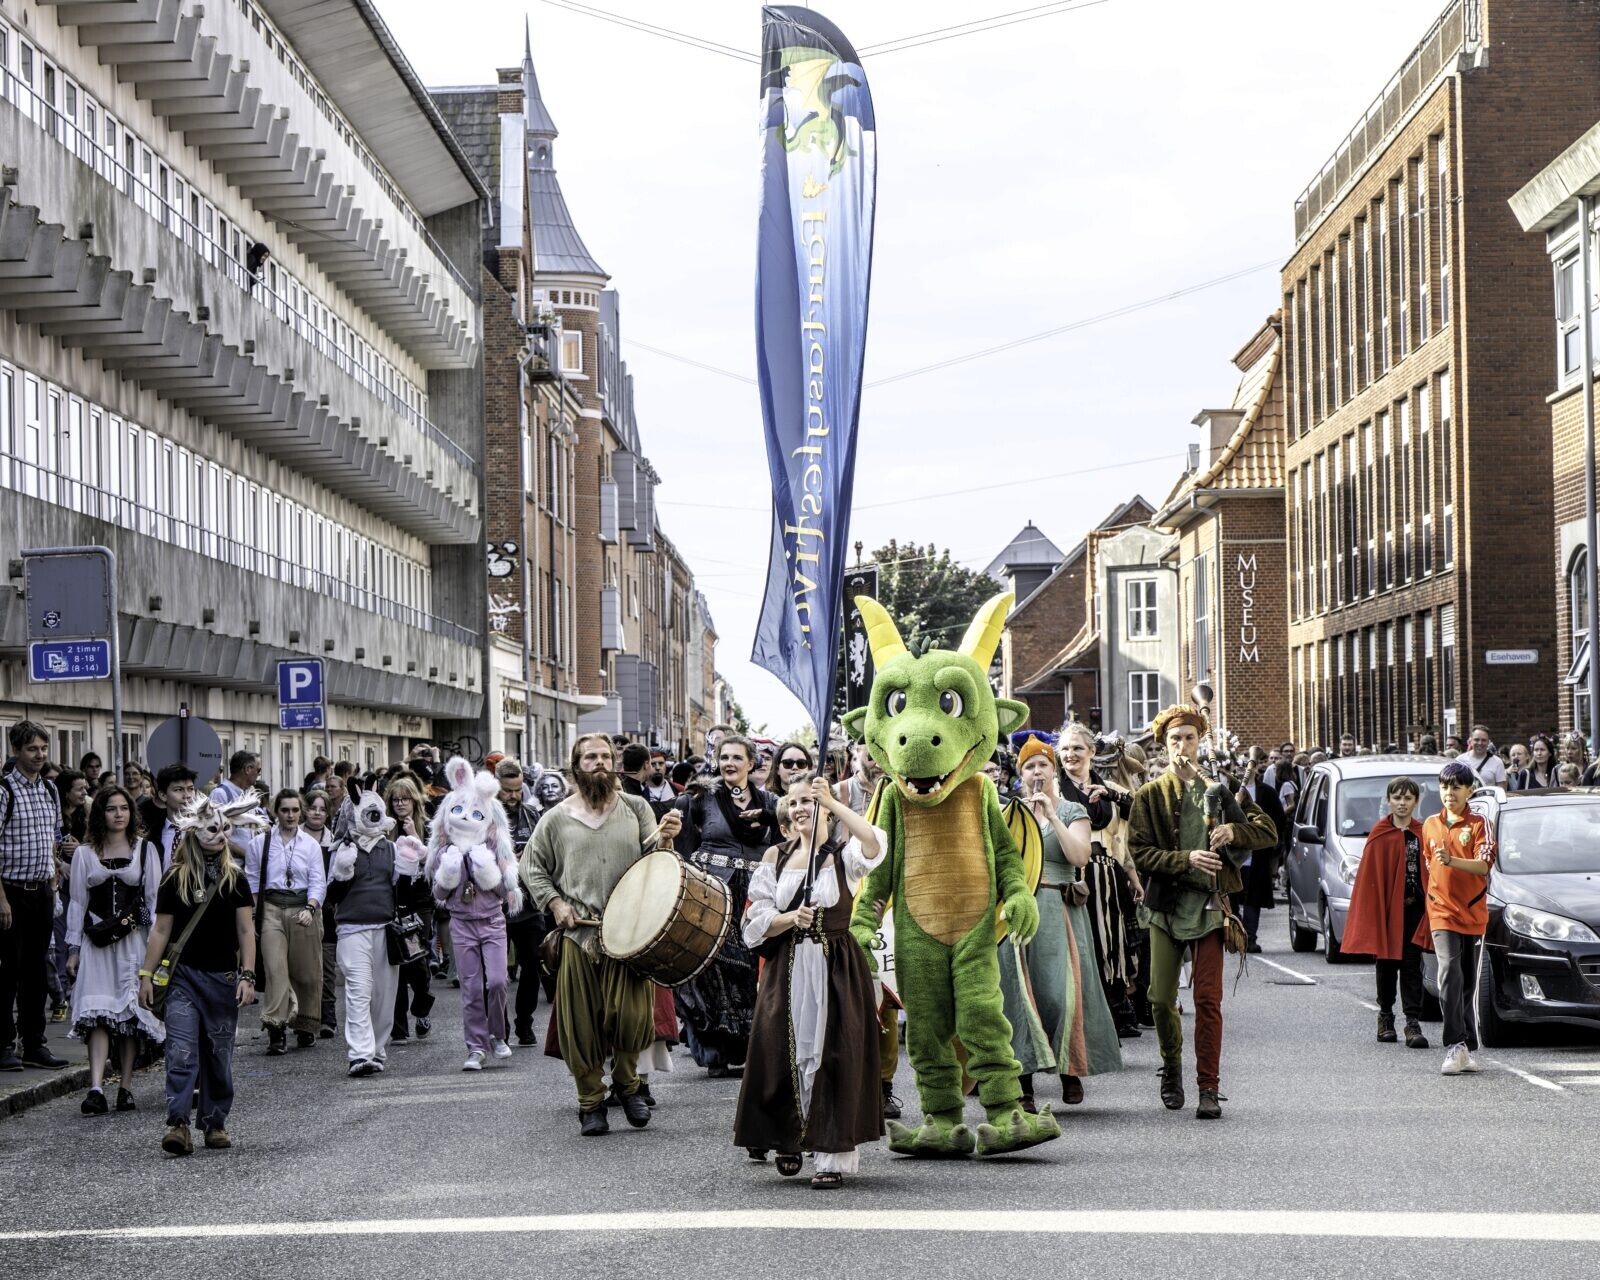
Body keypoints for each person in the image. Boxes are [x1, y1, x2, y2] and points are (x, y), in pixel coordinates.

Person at [521, 734, 682, 1135]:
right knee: (580, 1025)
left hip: (627, 932)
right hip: (578, 936)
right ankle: (590, 1101)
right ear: (576, 766)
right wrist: (556, 904)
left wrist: (666, 838)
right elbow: (531, 867)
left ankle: (628, 1086)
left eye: (605, 756)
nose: (599, 763)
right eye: (590, 757)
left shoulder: (636, 808)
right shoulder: (556, 818)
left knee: (630, 1017)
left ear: (615, 764)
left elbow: (656, 860)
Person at [735, 776, 886, 1188]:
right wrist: (788, 919)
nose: (802, 807)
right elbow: (754, 920)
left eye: (809, 800)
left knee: (833, 1051)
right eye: (796, 801)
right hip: (787, 965)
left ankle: (830, 1155)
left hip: (835, 965)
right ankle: (790, 1136)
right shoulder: (776, 855)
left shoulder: (843, 856)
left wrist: (833, 804)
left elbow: (874, 843)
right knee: (780, 1048)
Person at [1129, 704, 1277, 1120]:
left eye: (1190, 738)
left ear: (1200, 742)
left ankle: (1208, 1087)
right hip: (1166, 907)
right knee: (1159, 998)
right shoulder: (1149, 795)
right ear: (1163, 745)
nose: (1182, 746)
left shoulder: (1220, 787)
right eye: (1175, 739)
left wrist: (1234, 829)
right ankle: (1172, 1065)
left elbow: (1268, 832)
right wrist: (1186, 859)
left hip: (1212, 908)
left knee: (1208, 1000)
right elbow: (1140, 853)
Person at [997, 731, 1120, 1111]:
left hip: (1060, 909)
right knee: (1020, 994)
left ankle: (1070, 1071)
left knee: (1061, 994)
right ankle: (1025, 1083)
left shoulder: (1071, 810)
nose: (1037, 771)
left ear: (1054, 772)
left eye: (1043, 766)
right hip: (1020, 911)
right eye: (1030, 766)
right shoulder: (1009, 814)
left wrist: (1051, 813)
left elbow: (1080, 856)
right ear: (1021, 774)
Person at [138, 793, 264, 1155]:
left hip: (223, 979)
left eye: (225, 829)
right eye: (212, 829)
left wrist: (248, 976)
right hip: (183, 979)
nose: (221, 836)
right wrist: (146, 975)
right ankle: (177, 1123)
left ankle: (214, 1122)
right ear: (193, 831)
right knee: (180, 1052)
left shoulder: (234, 879)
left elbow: (245, 931)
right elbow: (161, 931)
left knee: (218, 1055)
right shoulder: (173, 879)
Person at [672, 733, 781, 1075]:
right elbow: (684, 846)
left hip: (754, 895)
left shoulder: (773, 802)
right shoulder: (701, 798)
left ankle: (751, 1047)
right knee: (713, 970)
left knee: (751, 971)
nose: (729, 764)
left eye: (737, 758)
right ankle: (714, 1050)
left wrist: (771, 818)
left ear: (752, 763)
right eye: (724, 757)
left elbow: (785, 846)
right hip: (713, 894)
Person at [65, 785, 163, 1113]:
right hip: (96, 943)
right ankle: (95, 1087)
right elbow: (77, 903)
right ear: (100, 814)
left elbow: (153, 903)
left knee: (129, 1014)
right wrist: (73, 950)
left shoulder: (146, 851)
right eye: (111, 808)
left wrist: (155, 952)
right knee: (97, 1014)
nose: (118, 814)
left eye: (124, 808)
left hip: (133, 943)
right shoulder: (84, 853)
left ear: (131, 813)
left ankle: (125, 1087)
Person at [425, 758, 521, 1071]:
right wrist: (448, 874)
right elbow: (438, 896)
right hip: (461, 923)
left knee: (496, 981)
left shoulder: (492, 847)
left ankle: (498, 1035)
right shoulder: (445, 850)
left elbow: (504, 891)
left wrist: (487, 873)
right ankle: (475, 1047)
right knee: (470, 986)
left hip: (492, 921)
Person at [325, 788, 419, 1077]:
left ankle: (376, 1050)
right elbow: (333, 895)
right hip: (352, 929)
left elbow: (404, 894)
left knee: (384, 996)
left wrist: (409, 868)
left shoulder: (390, 848)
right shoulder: (342, 849)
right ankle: (359, 1055)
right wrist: (343, 872)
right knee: (358, 991)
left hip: (384, 929)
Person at [1057, 724, 1142, 1037]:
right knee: (1081, 948)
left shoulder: (1106, 787)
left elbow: (1139, 813)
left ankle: (1111, 1017)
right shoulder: (1054, 787)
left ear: (1092, 752)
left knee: (1110, 947)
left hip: (1108, 875)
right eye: (1065, 749)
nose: (1071, 755)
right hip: (1072, 877)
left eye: (1078, 748)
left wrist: (1112, 794)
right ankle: (1082, 1024)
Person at [1341, 777, 1431, 1049]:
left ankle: (1412, 1022)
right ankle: (1386, 1017)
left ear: (1416, 802)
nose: (1402, 803)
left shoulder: (1423, 831)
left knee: (1412, 964)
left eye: (1407, 798)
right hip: (1389, 909)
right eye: (1397, 798)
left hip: (1415, 908)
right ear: (1389, 800)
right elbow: (1371, 877)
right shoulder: (1380, 833)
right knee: (1387, 963)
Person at [0, 720, 67, 1072]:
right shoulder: (4, 790)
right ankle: (3, 1045)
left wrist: (56, 867)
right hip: (10, 891)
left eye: (43, 748)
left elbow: (52, 837)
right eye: (32, 749)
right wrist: (2, 900)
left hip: (41, 890)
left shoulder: (50, 790)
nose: (40, 755)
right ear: (16, 751)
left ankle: (34, 1044)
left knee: (36, 973)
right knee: (7, 972)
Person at [1426, 762, 1495, 1076]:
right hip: (1441, 912)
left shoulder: (1480, 823)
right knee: (1449, 971)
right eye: (1444, 787)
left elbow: (1483, 867)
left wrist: (1452, 860)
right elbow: (1430, 866)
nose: (1449, 793)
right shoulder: (1430, 824)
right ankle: (1454, 1044)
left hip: (1473, 913)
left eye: (1455, 787)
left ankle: (1466, 1045)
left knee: (1466, 980)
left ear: (1469, 791)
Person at [244, 790, 325, 1055]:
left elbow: (318, 882)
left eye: (294, 810)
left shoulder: (310, 845)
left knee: (305, 971)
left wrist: (311, 908)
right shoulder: (260, 843)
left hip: (303, 908)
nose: (290, 815)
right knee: (275, 968)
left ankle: (305, 1025)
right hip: (271, 910)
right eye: (284, 810)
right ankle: (276, 1030)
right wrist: (254, 914)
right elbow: (253, 879)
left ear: (300, 812)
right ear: (276, 812)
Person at [499, 759, 548, 1048]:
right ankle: (500, 1024)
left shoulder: (534, 815)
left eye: (518, 790)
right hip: (495, 905)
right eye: (507, 791)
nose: (513, 796)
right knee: (494, 973)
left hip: (530, 904)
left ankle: (524, 1023)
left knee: (534, 961)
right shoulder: (484, 816)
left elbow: (547, 854)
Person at [386, 775, 435, 1040]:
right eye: (395, 800)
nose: (400, 804)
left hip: (420, 901)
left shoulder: (427, 827)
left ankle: (422, 1007)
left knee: (416, 959)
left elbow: (435, 864)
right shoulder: (385, 827)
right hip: (392, 901)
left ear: (414, 800)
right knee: (396, 963)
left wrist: (416, 838)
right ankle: (399, 1027)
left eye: (405, 799)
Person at [1233, 746, 1288, 953]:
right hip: (1235, 854)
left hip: (1258, 854)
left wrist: (1272, 847)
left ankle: (1250, 937)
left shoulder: (1267, 792)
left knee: (1253, 897)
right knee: (1233, 897)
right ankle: (1236, 937)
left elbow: (1278, 820)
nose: (1243, 771)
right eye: (1239, 768)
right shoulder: (1231, 791)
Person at [49, 769, 90, 1022]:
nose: (85, 793)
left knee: (83, 935)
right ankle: (61, 991)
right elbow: (46, 844)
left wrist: (81, 848)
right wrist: (58, 862)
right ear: (66, 793)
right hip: (60, 883)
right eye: (79, 789)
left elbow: (100, 844)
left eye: (86, 788)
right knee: (61, 937)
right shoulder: (55, 817)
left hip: (84, 883)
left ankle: (79, 985)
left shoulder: (89, 815)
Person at [301, 790, 341, 1039]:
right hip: (298, 907)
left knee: (327, 968)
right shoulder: (294, 839)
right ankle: (305, 1019)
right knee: (304, 968)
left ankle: (328, 1018)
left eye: (322, 809)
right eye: (312, 807)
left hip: (326, 911)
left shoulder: (334, 842)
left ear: (328, 813)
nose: (316, 812)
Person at [140, 765, 197, 873]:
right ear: (163, 795)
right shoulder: (152, 833)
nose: (187, 795)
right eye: (178, 789)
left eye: (191, 789)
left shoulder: (202, 829)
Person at [833, 741, 882, 816]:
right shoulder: (835, 794)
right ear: (858, 750)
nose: (879, 765)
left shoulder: (901, 792)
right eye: (873, 755)